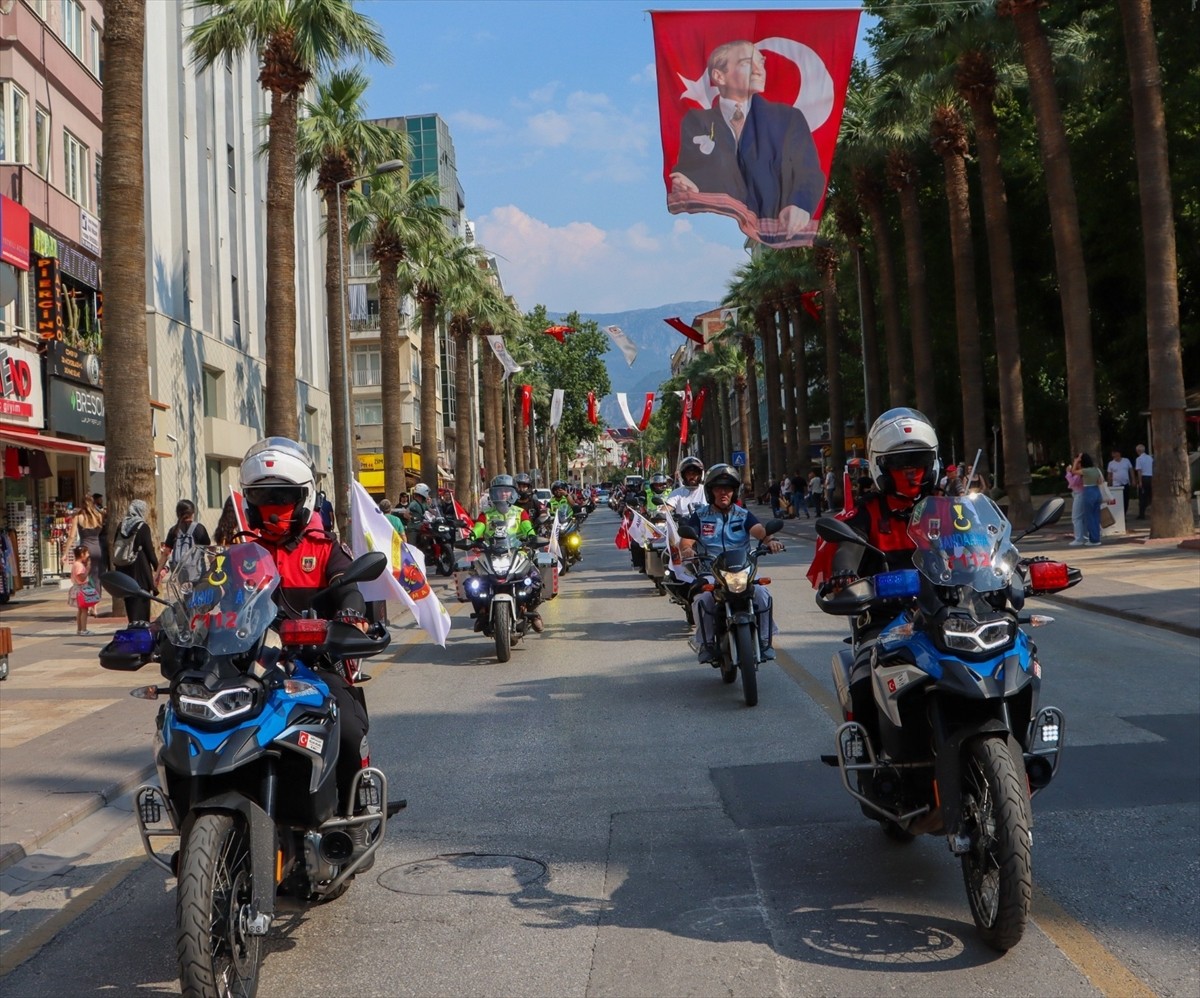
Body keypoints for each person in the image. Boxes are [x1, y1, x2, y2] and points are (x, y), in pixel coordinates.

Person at [239, 436, 374, 809]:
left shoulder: (325, 548)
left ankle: (355, 809)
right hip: (249, 669)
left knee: (348, 729)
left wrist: (350, 614)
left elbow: (349, 590)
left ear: (304, 498)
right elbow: (213, 597)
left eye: (282, 496)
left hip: (314, 664)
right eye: (262, 497)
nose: (272, 506)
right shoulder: (241, 553)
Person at [807, 407, 941, 747]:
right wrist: (844, 573)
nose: (911, 471)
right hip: (886, 620)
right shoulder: (866, 512)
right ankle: (871, 757)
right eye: (901, 463)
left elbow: (981, 544)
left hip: (949, 612)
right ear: (882, 467)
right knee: (864, 679)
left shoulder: (949, 508)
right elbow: (848, 546)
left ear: (933, 463)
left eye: (918, 461)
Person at [669, 40, 825, 243]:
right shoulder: (696, 121)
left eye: (761, 63)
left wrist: (800, 204)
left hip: (776, 226)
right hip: (714, 232)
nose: (759, 71)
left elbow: (809, 172)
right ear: (719, 76)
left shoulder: (788, 119)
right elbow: (690, 171)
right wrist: (686, 184)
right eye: (747, 63)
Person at [679, 464, 783, 665]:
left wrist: (771, 541)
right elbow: (686, 540)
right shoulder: (700, 516)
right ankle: (706, 643)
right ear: (710, 491)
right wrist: (687, 550)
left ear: (734, 492)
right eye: (718, 488)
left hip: (742, 570)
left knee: (762, 594)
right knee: (702, 599)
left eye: (728, 488)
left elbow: (760, 531)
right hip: (711, 570)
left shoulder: (743, 515)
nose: (723, 493)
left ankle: (764, 640)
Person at [471, 474, 544, 632]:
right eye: (500, 491)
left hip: (517, 552)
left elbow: (527, 527)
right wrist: (471, 537)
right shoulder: (486, 514)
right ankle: (482, 612)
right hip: (491, 554)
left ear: (513, 493)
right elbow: (478, 528)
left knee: (535, 579)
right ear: (493, 493)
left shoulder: (520, 512)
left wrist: (532, 537)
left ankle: (533, 612)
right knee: (473, 583)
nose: (503, 494)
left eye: (507, 491)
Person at [113, 499, 158, 624]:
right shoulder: (142, 526)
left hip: (124, 569)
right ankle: (142, 626)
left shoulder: (121, 526)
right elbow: (149, 550)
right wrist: (157, 567)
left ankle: (132, 624)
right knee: (142, 599)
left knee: (130, 599)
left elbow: (116, 546)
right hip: (140, 569)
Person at [158, 499, 211, 587]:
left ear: (177, 514)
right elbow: (209, 551)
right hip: (198, 573)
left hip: (180, 574)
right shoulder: (199, 528)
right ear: (193, 513)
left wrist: (157, 574)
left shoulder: (174, 530)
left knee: (184, 593)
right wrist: (214, 569)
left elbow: (166, 553)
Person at [69, 493, 106, 614]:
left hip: (85, 550)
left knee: (85, 578)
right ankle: (95, 606)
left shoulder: (78, 517)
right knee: (96, 577)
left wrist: (65, 552)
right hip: (97, 549)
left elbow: (72, 536)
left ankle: (89, 604)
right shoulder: (99, 516)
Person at [1074, 453, 1104, 546]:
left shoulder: (1085, 471)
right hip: (1096, 491)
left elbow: (1073, 471)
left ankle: (1093, 539)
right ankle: (1097, 538)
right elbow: (1100, 481)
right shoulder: (1096, 469)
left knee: (1089, 517)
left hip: (1088, 491)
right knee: (1096, 516)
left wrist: (1076, 461)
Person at [69, 545, 99, 636]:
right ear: (82, 554)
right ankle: (84, 629)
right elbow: (81, 578)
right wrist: (88, 569)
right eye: (87, 553)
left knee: (80, 610)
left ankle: (79, 629)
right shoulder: (79, 565)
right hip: (81, 590)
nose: (88, 555)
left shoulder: (76, 564)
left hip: (78, 589)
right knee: (84, 610)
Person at [1065, 456, 1086, 546]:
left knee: (1076, 517)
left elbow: (1072, 483)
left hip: (1080, 494)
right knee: (1082, 517)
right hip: (1080, 494)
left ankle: (1079, 538)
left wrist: (1068, 473)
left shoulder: (1080, 473)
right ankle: (1083, 536)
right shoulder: (1081, 472)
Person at [1107, 448, 1133, 516]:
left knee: (1126, 500)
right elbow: (1109, 475)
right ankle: (1119, 515)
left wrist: (1133, 480)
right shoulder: (1111, 463)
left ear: (1119, 453)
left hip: (1125, 483)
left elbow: (1131, 470)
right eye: (1112, 454)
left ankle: (1124, 514)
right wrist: (1109, 485)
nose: (1113, 455)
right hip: (1116, 485)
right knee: (1118, 501)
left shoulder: (1126, 460)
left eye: (1115, 453)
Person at [1134, 443, 1153, 519]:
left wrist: (1140, 482)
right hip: (1151, 477)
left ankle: (1142, 514)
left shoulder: (1139, 459)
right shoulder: (1150, 458)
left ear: (1138, 451)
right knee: (1151, 495)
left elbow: (1139, 471)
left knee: (1142, 496)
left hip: (1144, 478)